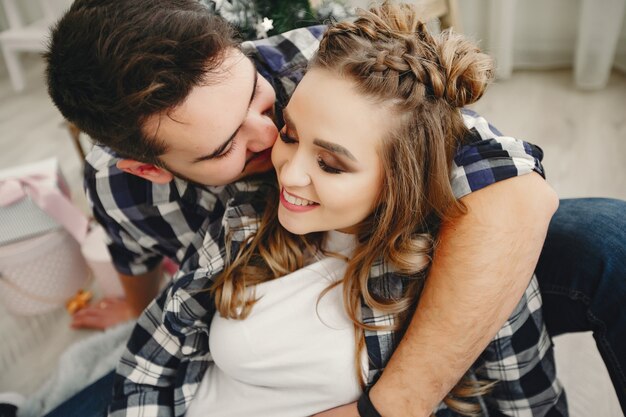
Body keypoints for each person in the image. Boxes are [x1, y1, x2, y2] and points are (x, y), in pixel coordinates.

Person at [43, 0, 625, 416]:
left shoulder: (315, 63)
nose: (270, 137)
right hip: (250, 334)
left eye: (256, 96)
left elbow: (513, 188)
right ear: (147, 166)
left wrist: (393, 404)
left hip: (398, 261)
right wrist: (139, 313)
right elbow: (150, 287)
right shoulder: (125, 190)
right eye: (225, 147)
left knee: (610, 240)